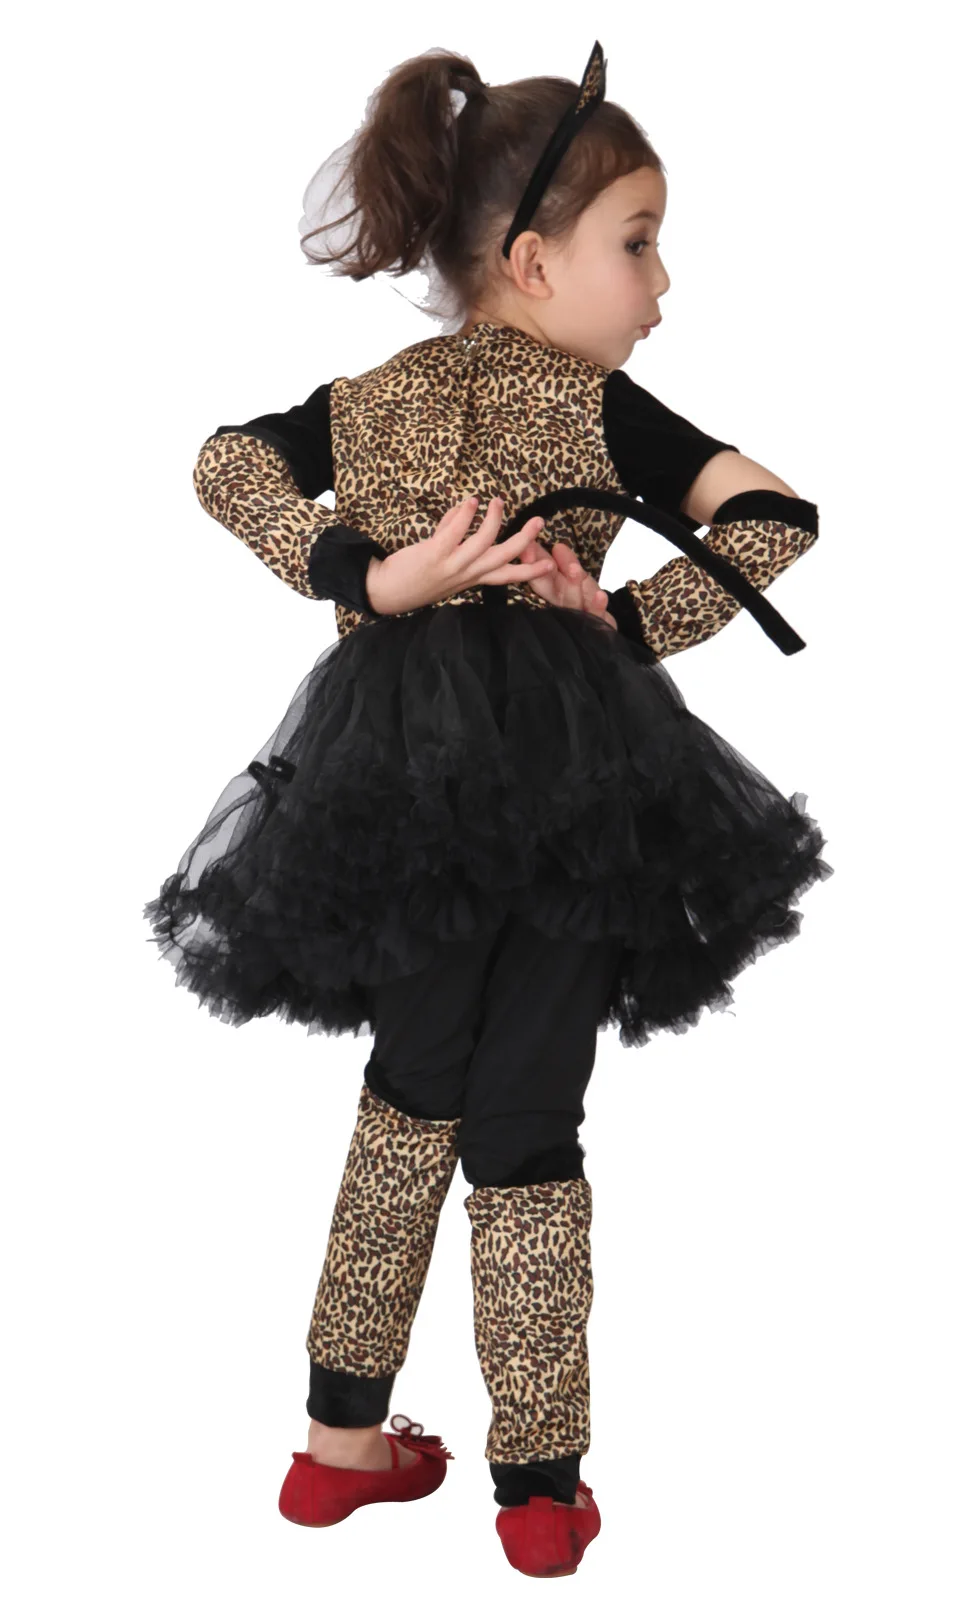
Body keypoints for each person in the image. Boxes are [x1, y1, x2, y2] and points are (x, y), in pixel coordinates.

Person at [144, 41, 832, 1578]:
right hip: (582, 788)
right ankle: (538, 1486)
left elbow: (226, 465)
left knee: (410, 1091)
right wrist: (627, 625)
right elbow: (778, 514)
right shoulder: (602, 409)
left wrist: (365, 577)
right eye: (639, 244)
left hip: (394, 786)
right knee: (530, 1114)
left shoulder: (369, 402)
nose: (662, 287)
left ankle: (338, 1447)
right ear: (532, 262)